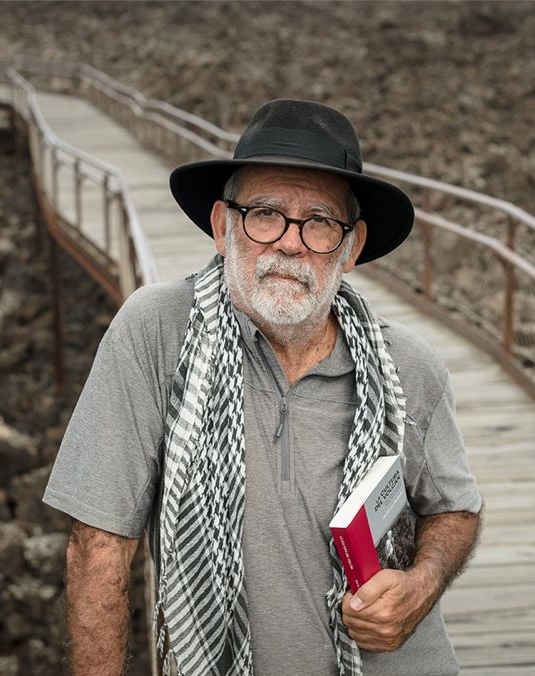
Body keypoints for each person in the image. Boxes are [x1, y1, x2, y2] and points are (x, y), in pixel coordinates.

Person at [43, 99, 482, 676]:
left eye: (320, 222)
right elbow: (97, 544)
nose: (290, 243)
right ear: (224, 227)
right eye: (265, 214)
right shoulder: (157, 332)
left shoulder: (409, 366)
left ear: (350, 247)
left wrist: (421, 584)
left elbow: (455, 510)